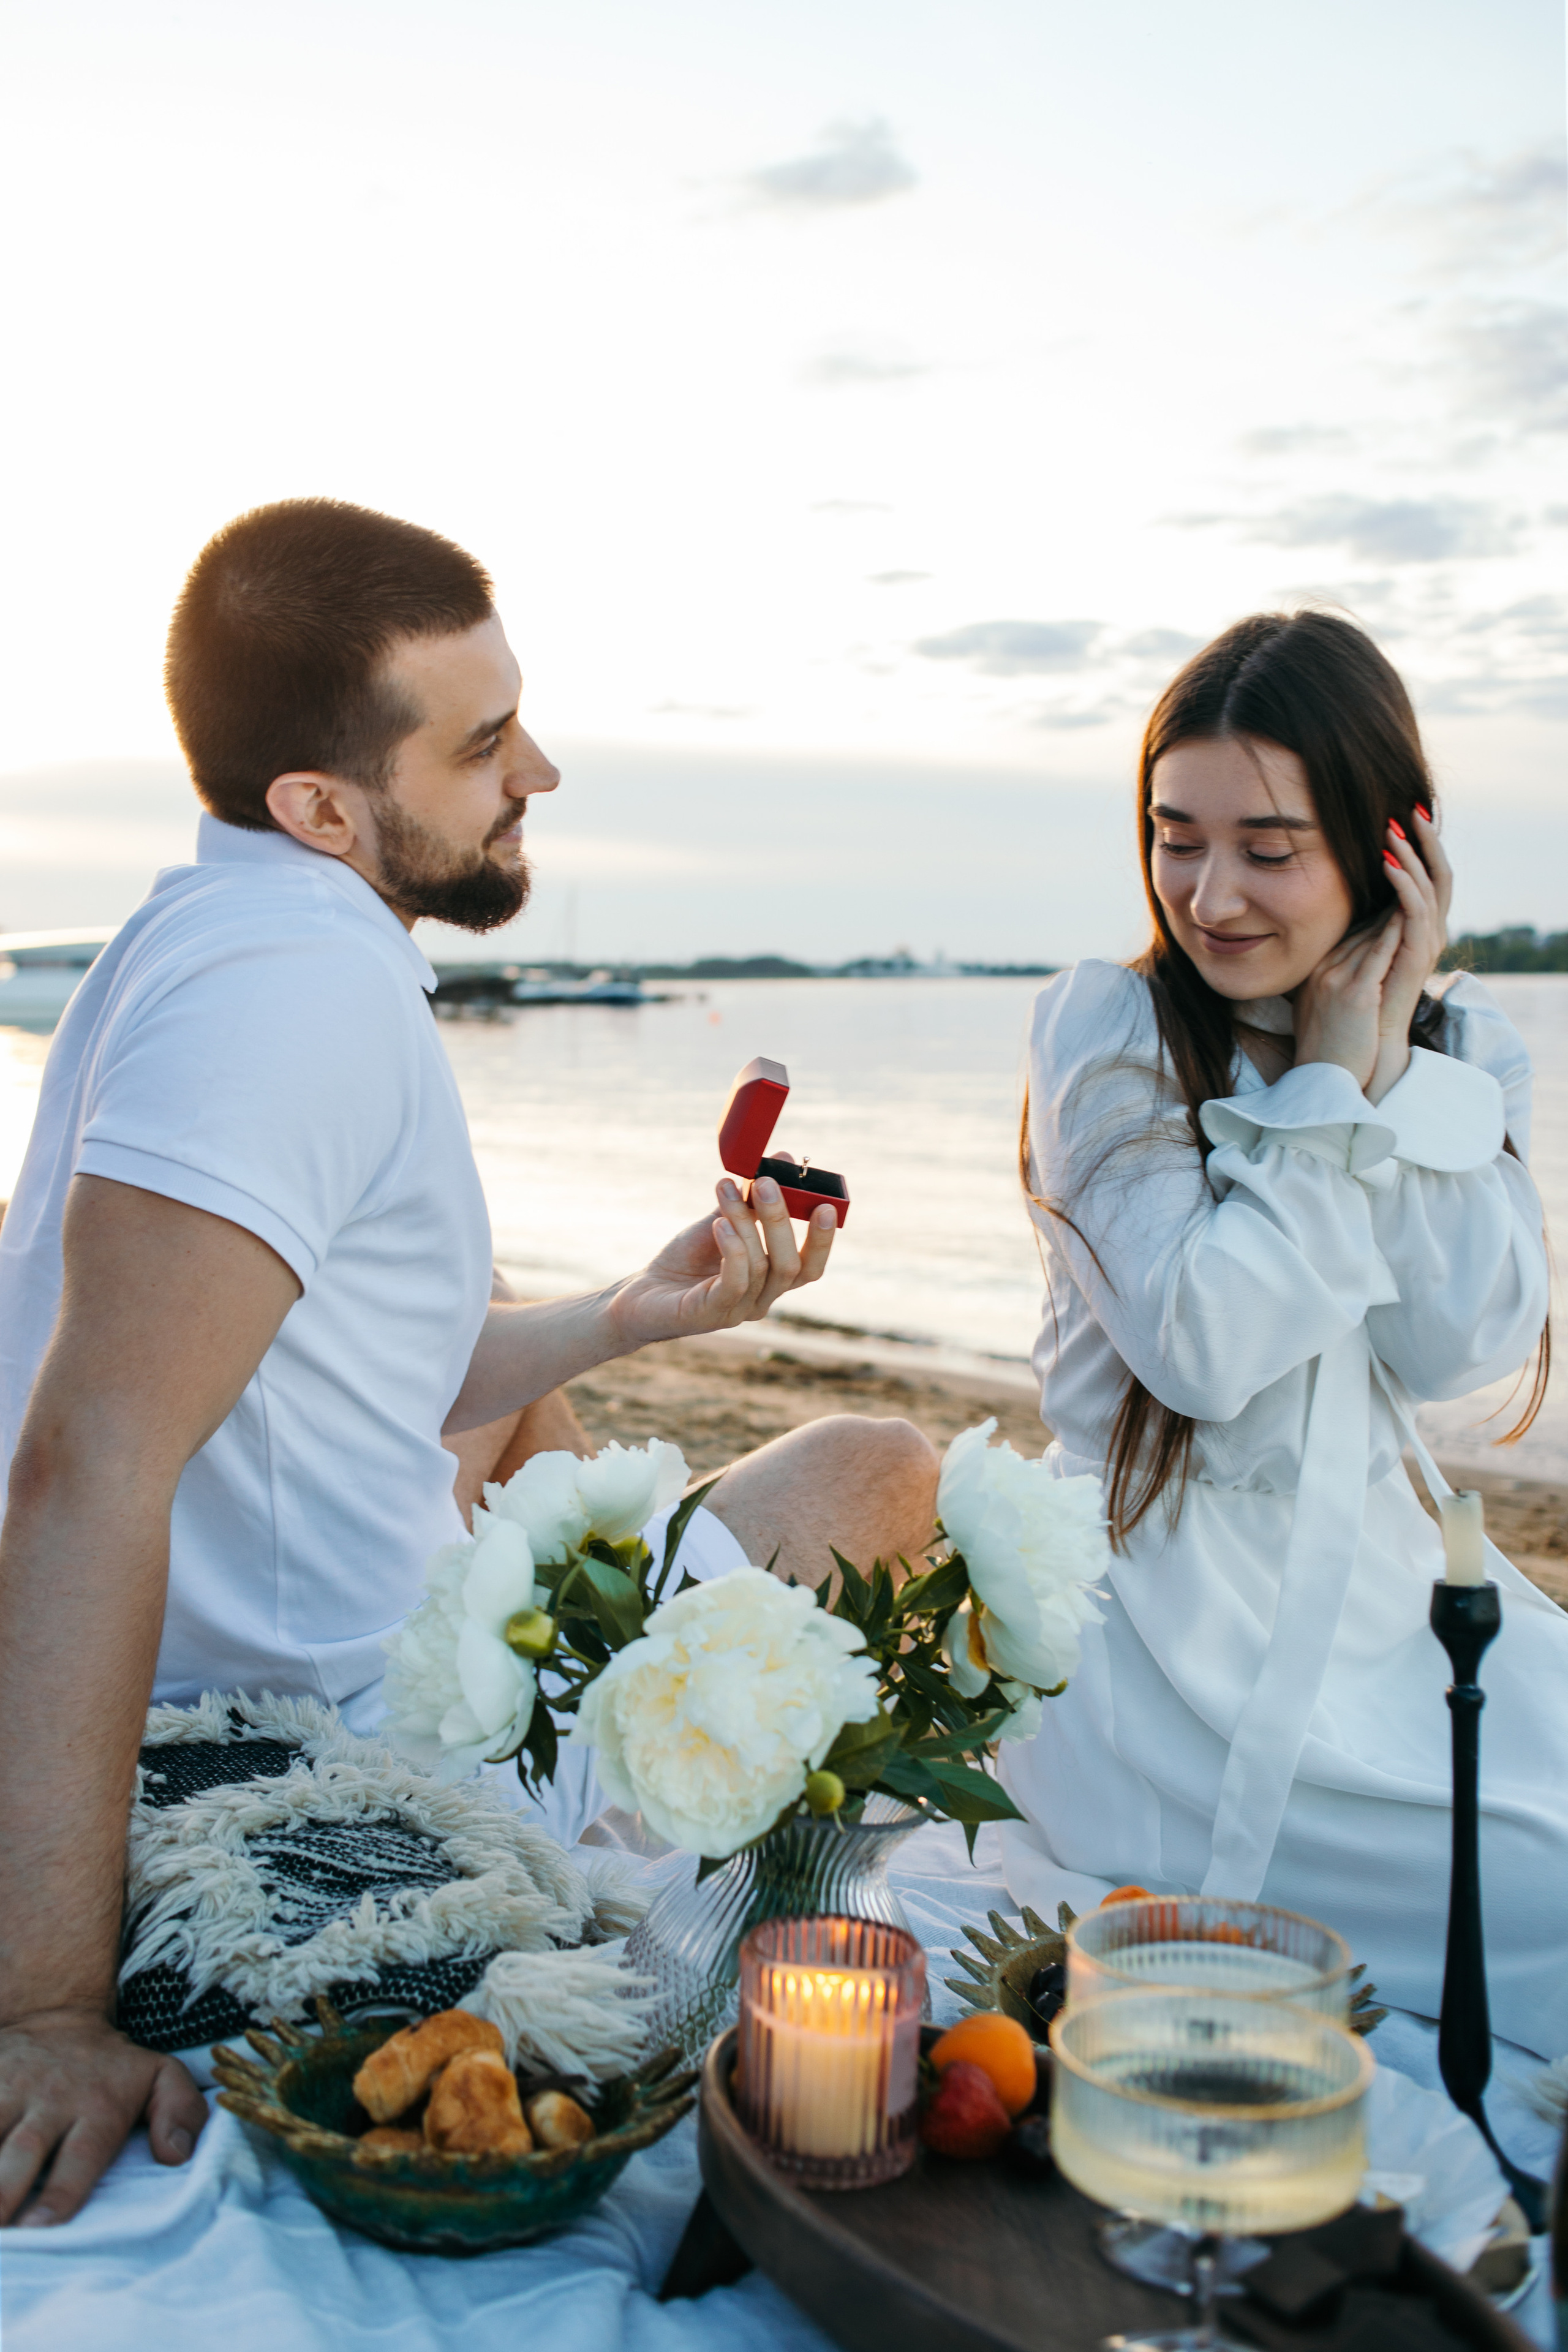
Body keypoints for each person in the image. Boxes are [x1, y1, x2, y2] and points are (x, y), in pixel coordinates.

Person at [0, 498, 938, 2227]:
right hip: (317, 1722)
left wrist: (642, 1317)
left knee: (524, 1354)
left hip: (311, 1613)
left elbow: (350, 1365)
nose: (543, 775)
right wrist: (45, 2010)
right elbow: (88, 1457)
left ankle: (605, 1633)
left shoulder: (219, 927)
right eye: (487, 742)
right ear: (323, 806)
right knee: (886, 1477)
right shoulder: (294, 989)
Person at [998, 609, 1568, 2057]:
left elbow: (1460, 1346)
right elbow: (1203, 1345)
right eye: (1173, 835)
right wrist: (1319, 1095)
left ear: (1390, 847)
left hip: (1384, 1591)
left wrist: (1381, 1067)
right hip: (1153, 1632)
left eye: (1268, 847)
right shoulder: (1108, 1032)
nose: (1208, 892)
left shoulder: (1462, 1046)